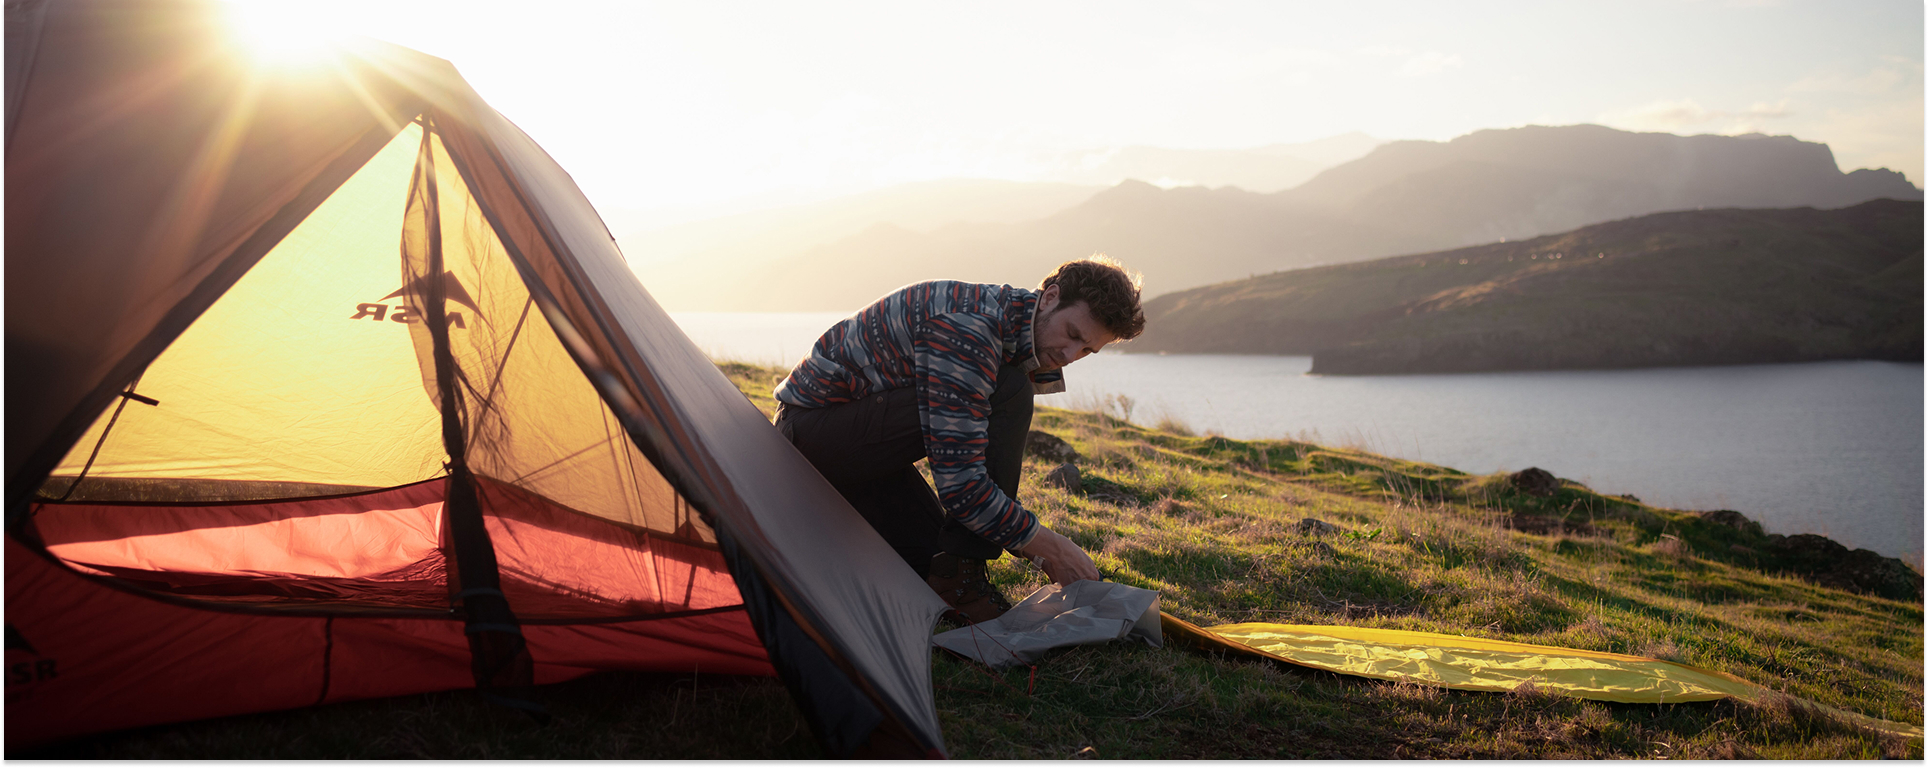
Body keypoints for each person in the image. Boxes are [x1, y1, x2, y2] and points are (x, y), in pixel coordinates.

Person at [772, 257, 1146, 624]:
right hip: (811, 439)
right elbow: (962, 486)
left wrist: (1025, 545)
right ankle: (964, 581)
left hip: (862, 449)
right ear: (1049, 298)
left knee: (934, 560)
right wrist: (1050, 549)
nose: (1069, 355)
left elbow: (970, 464)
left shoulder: (1008, 329)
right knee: (1010, 388)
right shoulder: (971, 329)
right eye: (1073, 334)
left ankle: (958, 575)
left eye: (1086, 350)